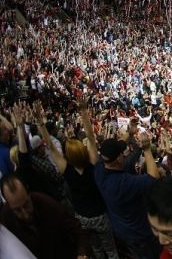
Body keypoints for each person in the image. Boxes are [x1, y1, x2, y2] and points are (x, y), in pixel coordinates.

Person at [36, 100, 119, 259]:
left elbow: (51, 147)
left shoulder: (66, 170)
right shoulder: (92, 165)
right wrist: (83, 112)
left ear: (69, 156)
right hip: (100, 216)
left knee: (96, 250)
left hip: (82, 217)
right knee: (111, 250)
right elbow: (91, 137)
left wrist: (41, 124)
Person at [94, 126, 161, 259]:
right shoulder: (126, 183)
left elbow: (117, 145)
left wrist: (129, 133)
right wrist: (147, 149)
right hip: (140, 234)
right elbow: (154, 177)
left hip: (120, 229)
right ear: (119, 158)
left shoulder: (98, 169)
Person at [0, 173, 90, 259]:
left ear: (29, 193)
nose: (25, 214)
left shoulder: (47, 203)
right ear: (8, 204)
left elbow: (78, 230)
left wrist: (82, 254)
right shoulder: (6, 217)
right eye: (17, 210)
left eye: (26, 205)